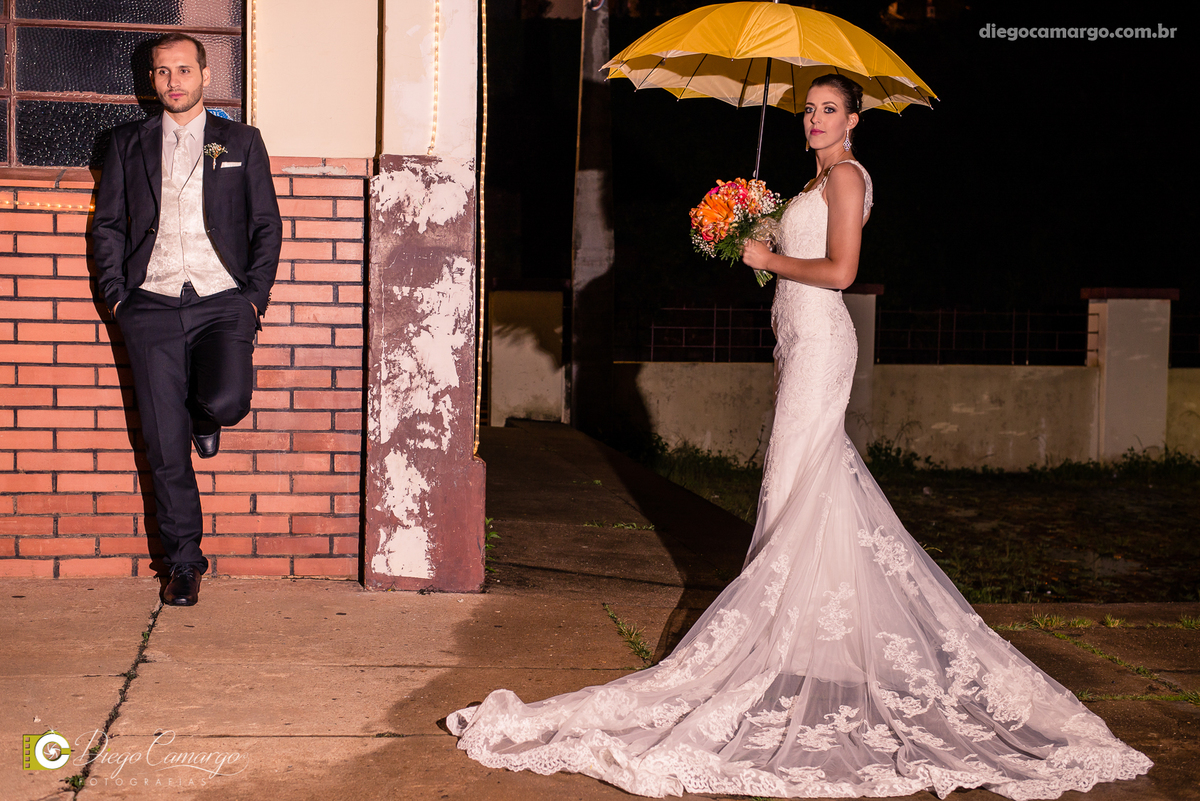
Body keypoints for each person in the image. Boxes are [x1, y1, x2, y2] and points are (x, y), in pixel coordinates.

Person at [447, 74, 1152, 798]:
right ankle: (815, 652)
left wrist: (770, 258)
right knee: (796, 493)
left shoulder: (846, 176)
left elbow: (841, 271)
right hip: (795, 345)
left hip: (821, 345)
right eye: (809, 110)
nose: (815, 120)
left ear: (854, 119)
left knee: (799, 488)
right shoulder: (804, 183)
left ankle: (784, 654)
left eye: (829, 109)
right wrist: (745, 229)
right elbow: (787, 259)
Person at [92, 33, 282, 607]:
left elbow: (265, 225)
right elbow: (108, 227)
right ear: (152, 80)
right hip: (148, 305)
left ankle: (208, 412)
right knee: (163, 442)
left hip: (222, 299)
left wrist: (253, 298)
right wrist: (118, 300)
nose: (172, 81)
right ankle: (183, 563)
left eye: (183, 69)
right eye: (161, 72)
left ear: (204, 74)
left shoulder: (241, 141)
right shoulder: (126, 143)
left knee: (227, 399)